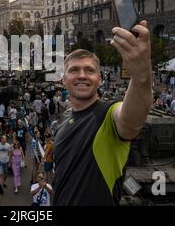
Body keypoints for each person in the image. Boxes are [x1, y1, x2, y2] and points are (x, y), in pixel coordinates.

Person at [54, 22, 153, 206]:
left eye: (89, 70)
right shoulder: (64, 121)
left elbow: (131, 121)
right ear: (63, 80)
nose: (82, 75)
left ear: (99, 79)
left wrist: (141, 76)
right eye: (74, 70)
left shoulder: (108, 114)